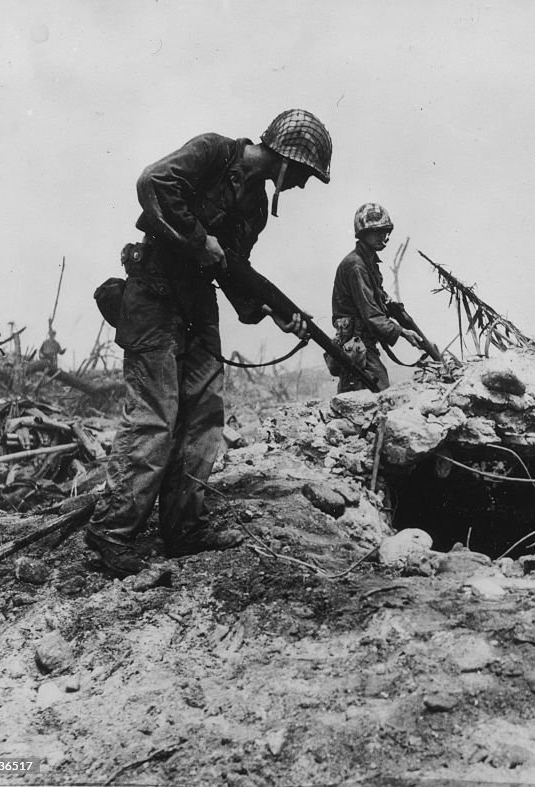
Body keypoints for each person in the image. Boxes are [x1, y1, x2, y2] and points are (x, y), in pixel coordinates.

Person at [84, 109, 331, 576]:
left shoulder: (256, 207)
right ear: (283, 157)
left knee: (203, 416)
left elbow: (235, 272)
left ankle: (184, 528)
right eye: (301, 173)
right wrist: (200, 239)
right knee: (155, 418)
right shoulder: (215, 152)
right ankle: (112, 532)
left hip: (198, 306)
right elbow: (153, 183)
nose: (300, 185)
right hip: (154, 294)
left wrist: (274, 312)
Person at [330, 203, 422, 393]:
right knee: (374, 391)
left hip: (362, 342)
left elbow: (377, 297)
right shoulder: (356, 265)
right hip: (355, 342)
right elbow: (371, 314)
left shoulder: (367, 261)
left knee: (366, 393)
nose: (384, 237)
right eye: (377, 231)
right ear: (363, 234)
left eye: (385, 231)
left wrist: (392, 306)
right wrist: (403, 332)